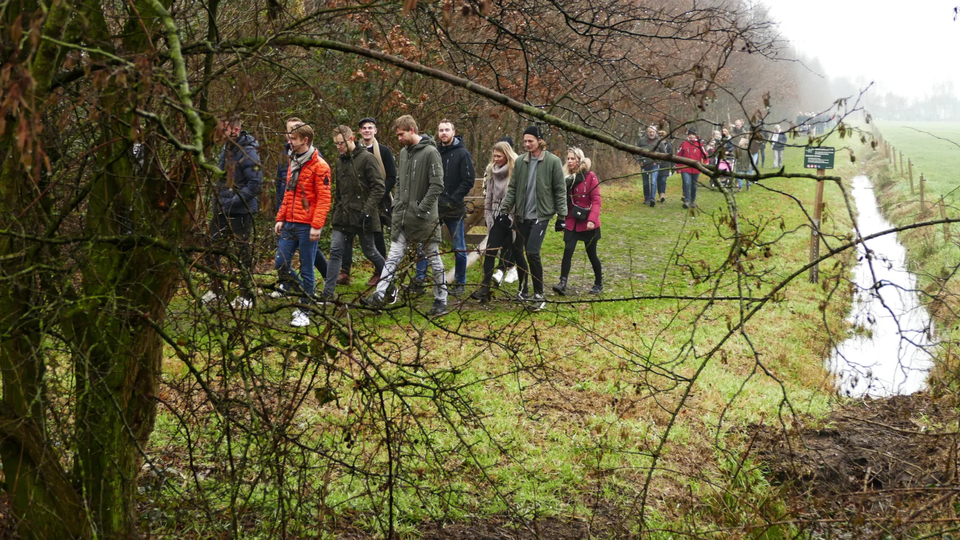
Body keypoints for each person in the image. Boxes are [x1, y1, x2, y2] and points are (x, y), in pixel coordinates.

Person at [362, 115, 448, 317]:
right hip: (402, 217)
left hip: (424, 220)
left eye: (401, 134)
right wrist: (398, 205)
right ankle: (379, 295)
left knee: (434, 260)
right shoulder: (403, 153)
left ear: (411, 129)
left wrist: (421, 208)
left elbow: (437, 185)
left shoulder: (431, 153)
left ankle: (441, 300)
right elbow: (400, 182)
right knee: (392, 257)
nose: (399, 138)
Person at [498, 125, 567, 312]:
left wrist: (562, 216)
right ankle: (523, 288)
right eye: (525, 141)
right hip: (522, 215)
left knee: (532, 252)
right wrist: (505, 210)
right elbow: (513, 188)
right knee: (517, 250)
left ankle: (539, 295)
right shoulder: (520, 162)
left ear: (539, 141)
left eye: (531, 141)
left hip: (541, 215)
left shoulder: (552, 161)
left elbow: (560, 190)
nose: (527, 144)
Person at [274, 122, 331, 327]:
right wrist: (281, 217)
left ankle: (304, 309)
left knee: (308, 267)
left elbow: (324, 199)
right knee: (280, 263)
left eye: (293, 139)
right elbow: (289, 193)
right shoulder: (293, 162)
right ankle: (307, 294)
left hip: (307, 226)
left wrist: (317, 225)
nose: (290, 142)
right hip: (289, 223)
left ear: (304, 140)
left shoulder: (320, 166)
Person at [202, 116, 263, 309]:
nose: (220, 132)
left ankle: (247, 295)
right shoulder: (226, 149)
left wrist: (231, 201)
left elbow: (255, 185)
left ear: (235, 131)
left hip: (241, 212)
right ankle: (217, 289)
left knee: (242, 253)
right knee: (212, 248)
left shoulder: (249, 152)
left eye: (224, 129)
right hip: (222, 210)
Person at [322, 126, 386, 301]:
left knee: (370, 251)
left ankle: (390, 281)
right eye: (336, 144)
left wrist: (367, 210)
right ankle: (328, 293)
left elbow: (379, 188)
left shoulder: (367, 159)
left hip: (363, 215)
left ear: (351, 139)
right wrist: (336, 211)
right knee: (335, 250)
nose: (339, 147)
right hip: (342, 215)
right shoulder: (339, 162)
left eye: (341, 143)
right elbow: (340, 192)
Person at [415, 119, 475, 296]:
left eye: (447, 130)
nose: (443, 133)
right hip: (433, 207)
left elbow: (468, 181)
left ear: (453, 132)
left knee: (459, 247)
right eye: (441, 130)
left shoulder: (463, 154)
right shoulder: (434, 152)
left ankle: (460, 281)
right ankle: (419, 279)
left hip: (454, 208)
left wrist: (453, 199)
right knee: (423, 244)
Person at [336, 117, 397, 286]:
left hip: (380, 200)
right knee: (348, 235)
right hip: (355, 201)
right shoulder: (352, 153)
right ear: (359, 132)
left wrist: (380, 195)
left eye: (370, 127)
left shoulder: (383, 151)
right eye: (364, 128)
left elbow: (391, 177)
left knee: (376, 236)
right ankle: (345, 271)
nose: (367, 130)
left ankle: (380, 272)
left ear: (375, 131)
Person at [470, 141, 520, 302]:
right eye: (494, 156)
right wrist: (489, 217)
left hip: (512, 218)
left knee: (515, 252)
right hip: (497, 217)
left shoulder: (515, 170)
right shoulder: (492, 170)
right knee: (490, 251)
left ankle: (522, 287)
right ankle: (485, 288)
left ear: (506, 155)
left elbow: (518, 196)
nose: (496, 159)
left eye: (499, 156)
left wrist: (513, 220)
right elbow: (489, 195)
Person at [552, 147, 603, 296]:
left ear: (579, 160)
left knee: (591, 253)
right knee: (568, 251)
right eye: (568, 158)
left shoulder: (590, 176)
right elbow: (561, 201)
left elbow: (596, 200)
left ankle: (598, 282)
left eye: (572, 158)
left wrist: (592, 220)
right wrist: (561, 220)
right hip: (571, 220)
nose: (569, 161)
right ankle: (562, 282)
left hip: (587, 221)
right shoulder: (564, 177)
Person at [676, 128, 708, 210]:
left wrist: (705, 163)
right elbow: (679, 156)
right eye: (689, 135)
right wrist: (678, 167)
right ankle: (687, 200)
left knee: (694, 185)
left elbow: (705, 155)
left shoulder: (700, 144)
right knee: (687, 183)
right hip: (685, 167)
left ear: (695, 135)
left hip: (696, 168)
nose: (691, 136)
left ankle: (692, 201)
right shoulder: (684, 143)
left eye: (692, 135)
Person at [636, 125, 664, 207]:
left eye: (653, 132)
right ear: (647, 132)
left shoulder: (660, 142)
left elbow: (664, 154)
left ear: (656, 133)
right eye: (650, 132)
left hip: (654, 164)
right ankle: (647, 198)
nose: (651, 133)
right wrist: (639, 161)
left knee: (653, 181)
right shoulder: (641, 141)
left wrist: (658, 161)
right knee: (645, 183)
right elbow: (637, 151)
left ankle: (652, 198)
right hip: (644, 164)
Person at [657, 129, 674, 203]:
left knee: (663, 180)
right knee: (658, 181)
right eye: (660, 136)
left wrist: (672, 168)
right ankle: (659, 195)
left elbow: (671, 157)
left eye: (662, 136)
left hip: (665, 166)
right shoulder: (656, 144)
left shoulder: (669, 145)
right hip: (657, 165)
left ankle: (662, 195)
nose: (661, 137)